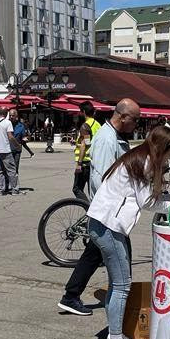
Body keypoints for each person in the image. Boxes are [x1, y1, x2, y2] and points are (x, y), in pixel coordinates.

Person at [87, 125, 170, 339]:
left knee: (117, 283)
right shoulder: (144, 163)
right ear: (163, 148)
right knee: (121, 285)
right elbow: (148, 202)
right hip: (108, 226)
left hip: (103, 223)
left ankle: (116, 336)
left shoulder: (139, 156)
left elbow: (146, 197)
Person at [57, 99, 140, 316]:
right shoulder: (106, 138)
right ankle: (122, 300)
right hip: (108, 211)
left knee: (94, 254)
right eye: (135, 119)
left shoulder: (115, 136)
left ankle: (72, 295)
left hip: (111, 211)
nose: (137, 124)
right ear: (122, 116)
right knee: (121, 256)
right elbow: (104, 178)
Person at [72, 103, 102, 201]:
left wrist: (79, 164)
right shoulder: (97, 125)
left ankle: (88, 209)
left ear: (84, 112)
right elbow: (90, 141)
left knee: (77, 188)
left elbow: (85, 144)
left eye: (80, 111)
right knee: (92, 191)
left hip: (85, 162)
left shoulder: (85, 126)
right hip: (95, 161)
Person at [0, 109, 20, 195]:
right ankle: (14, 190)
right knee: (12, 171)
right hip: (5, 150)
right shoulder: (7, 123)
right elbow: (10, 137)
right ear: (6, 114)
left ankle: (0, 190)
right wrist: (17, 145)